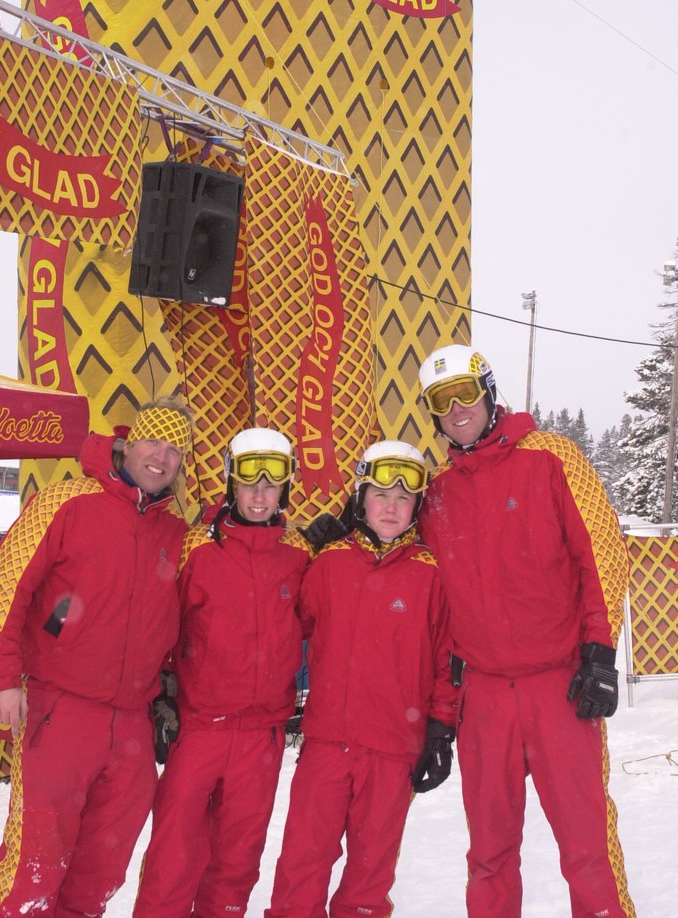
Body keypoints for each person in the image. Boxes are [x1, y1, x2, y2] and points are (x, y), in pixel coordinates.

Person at [417, 343, 636, 918]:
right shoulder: (435, 491)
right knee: (489, 852)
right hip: (484, 695)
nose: (457, 407)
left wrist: (599, 654)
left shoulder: (551, 457)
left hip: (558, 683)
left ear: (488, 392)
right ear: (433, 412)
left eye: (466, 392)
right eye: (443, 400)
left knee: (586, 845)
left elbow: (603, 555)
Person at [0, 397, 194, 918]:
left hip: (132, 727)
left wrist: (168, 689)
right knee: (36, 861)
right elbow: (4, 586)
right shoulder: (69, 501)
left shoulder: (175, 531)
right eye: (152, 442)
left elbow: (182, 624)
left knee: (101, 868)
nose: (160, 458)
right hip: (61, 711)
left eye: (174, 450)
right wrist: (1, 677)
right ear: (129, 442)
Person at [266, 440, 457, 918]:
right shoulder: (329, 563)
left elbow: (446, 661)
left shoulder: (431, 574)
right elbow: (281, 621)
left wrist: (440, 729)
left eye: (403, 498)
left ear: (416, 506)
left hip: (393, 751)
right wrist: (302, 549)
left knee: (369, 879)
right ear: (360, 498)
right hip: (327, 745)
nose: (391, 507)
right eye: (379, 495)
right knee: (301, 869)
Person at [133, 426, 312, 917]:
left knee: (237, 864)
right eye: (248, 481)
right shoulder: (195, 548)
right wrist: (159, 695)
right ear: (231, 482)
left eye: (271, 483)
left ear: (285, 488)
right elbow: (156, 623)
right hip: (199, 728)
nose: (259, 494)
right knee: (173, 860)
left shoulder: (300, 556)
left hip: (262, 736)